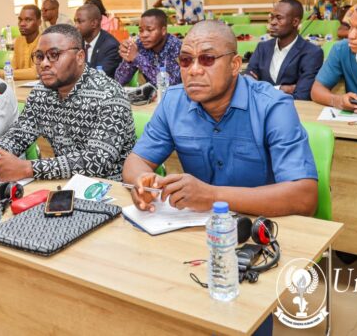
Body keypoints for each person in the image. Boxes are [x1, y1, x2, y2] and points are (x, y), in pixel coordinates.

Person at [122, 21, 317, 336]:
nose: (194, 70)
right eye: (185, 60)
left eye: (207, 59)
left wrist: (212, 196)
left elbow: (305, 197)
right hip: (192, 231)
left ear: (235, 65)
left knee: (239, 318)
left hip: (259, 234)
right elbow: (136, 161)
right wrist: (143, 181)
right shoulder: (172, 101)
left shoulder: (272, 105)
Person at [0, 24, 135, 181]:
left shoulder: (109, 94)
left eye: (54, 55)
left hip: (109, 188)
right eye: (39, 56)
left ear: (79, 57)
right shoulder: (41, 93)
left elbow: (98, 160)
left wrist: (28, 168)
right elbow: (19, 134)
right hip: (62, 183)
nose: (44, 63)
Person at [246, 0, 323, 100]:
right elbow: (248, 87)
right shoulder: (262, 48)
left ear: (295, 22)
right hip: (261, 110)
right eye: (272, 17)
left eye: (279, 18)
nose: (272, 22)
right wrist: (282, 88)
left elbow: (302, 95)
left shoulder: (312, 53)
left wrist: (260, 90)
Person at [114, 8, 182, 87]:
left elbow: (172, 84)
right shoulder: (139, 45)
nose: (143, 35)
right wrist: (128, 61)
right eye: (141, 30)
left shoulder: (176, 46)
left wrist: (137, 58)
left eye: (149, 30)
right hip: (148, 97)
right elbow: (119, 81)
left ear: (163, 31)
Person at [75, 3, 122, 77]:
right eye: (75, 21)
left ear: (94, 23)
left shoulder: (111, 46)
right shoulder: (76, 43)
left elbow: (98, 76)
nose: (76, 26)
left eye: (80, 22)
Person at [12, 5, 43, 80]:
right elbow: (13, 68)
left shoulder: (44, 42)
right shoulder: (18, 41)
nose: (22, 24)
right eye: (20, 20)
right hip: (19, 85)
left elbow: (36, 73)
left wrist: (2, 73)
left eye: (28, 20)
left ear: (39, 22)